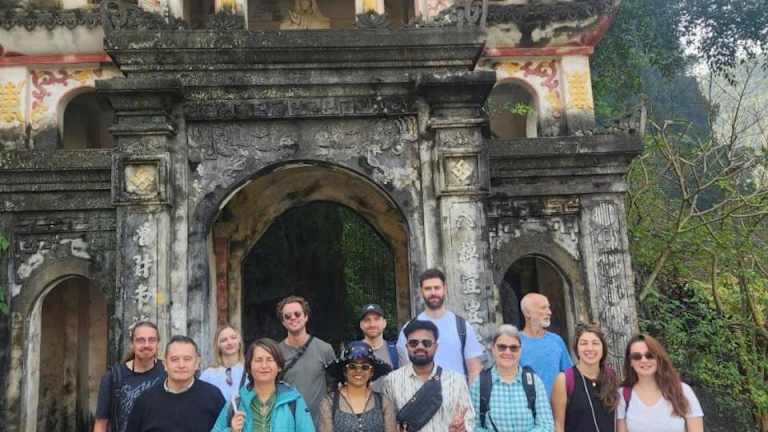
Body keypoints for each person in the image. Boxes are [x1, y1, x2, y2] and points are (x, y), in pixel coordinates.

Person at [383, 320, 474, 432]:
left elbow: (469, 420)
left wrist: (462, 427)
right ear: (407, 347)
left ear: (436, 346)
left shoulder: (456, 380)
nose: (420, 347)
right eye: (413, 343)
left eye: (426, 343)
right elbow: (388, 423)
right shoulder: (391, 381)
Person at [396, 268, 485, 381]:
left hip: (456, 391)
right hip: (421, 391)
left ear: (445, 289)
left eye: (437, 288)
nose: (433, 293)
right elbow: (405, 372)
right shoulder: (409, 329)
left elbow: (474, 370)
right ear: (421, 291)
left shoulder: (462, 327)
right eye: (428, 288)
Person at [212, 338, 316, 432]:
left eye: (270, 360)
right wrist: (232, 430)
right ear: (249, 367)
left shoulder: (293, 401)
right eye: (258, 360)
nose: (264, 365)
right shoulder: (236, 404)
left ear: (279, 366)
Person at [125, 335, 225, 432]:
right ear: (165, 364)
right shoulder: (145, 401)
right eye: (175, 359)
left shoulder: (213, 396)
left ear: (197, 363)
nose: (181, 365)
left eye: (187, 359)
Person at [470, 324, 554, 432]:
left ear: (520, 351)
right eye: (502, 347)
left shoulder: (534, 382)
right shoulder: (480, 384)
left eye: (513, 348)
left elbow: (546, 425)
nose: (507, 352)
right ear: (493, 349)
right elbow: (472, 425)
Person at [616, 334, 704, 432]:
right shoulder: (622, 395)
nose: (644, 360)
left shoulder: (682, 391)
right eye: (636, 356)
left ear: (658, 358)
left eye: (650, 355)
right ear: (630, 362)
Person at [93, 321, 166, 432]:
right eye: (140, 340)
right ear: (132, 344)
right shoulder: (113, 377)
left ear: (158, 344)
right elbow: (101, 424)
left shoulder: (168, 373)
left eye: (152, 340)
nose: (146, 345)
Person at [276, 295, 337, 426]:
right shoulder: (276, 353)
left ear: (306, 317)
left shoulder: (324, 349)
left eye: (297, 314)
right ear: (283, 322)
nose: (293, 318)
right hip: (288, 424)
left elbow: (335, 386)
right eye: (287, 316)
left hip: (319, 425)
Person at [551, 323, 618, 432]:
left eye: (595, 343)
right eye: (584, 343)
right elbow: (558, 426)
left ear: (603, 348)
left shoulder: (611, 376)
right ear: (576, 349)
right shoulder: (564, 379)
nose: (590, 348)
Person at [318, 341, 396, 432]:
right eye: (352, 366)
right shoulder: (329, 403)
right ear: (345, 371)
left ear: (371, 372)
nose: (358, 371)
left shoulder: (384, 403)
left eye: (365, 367)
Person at [518, 293, 572, 396]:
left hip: (557, 404)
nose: (549, 312)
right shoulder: (514, 343)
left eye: (548, 308)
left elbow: (570, 376)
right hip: (525, 404)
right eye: (543, 308)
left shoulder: (556, 340)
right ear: (527, 313)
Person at [358, 303, 399, 391]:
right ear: (361, 325)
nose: (372, 324)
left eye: (376, 319)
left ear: (384, 323)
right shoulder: (351, 351)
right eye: (367, 320)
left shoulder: (396, 351)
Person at [201, 324, 245, 402]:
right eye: (224, 340)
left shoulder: (250, 371)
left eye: (233, 338)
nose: (229, 342)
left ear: (239, 342)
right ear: (218, 345)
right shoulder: (208, 375)